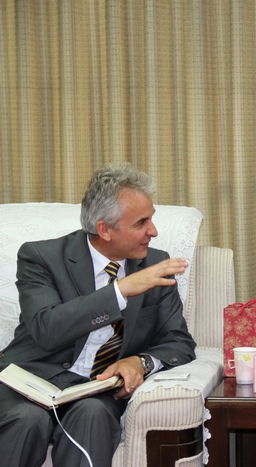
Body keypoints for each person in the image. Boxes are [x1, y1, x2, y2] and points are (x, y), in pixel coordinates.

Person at [0, 163, 197, 467]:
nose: (153, 231)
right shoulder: (41, 257)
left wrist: (141, 362)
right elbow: (46, 328)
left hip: (97, 388)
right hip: (30, 379)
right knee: (27, 420)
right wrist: (121, 290)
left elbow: (178, 341)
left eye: (152, 218)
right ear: (105, 229)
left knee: (92, 415)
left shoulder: (156, 265)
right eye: (141, 222)